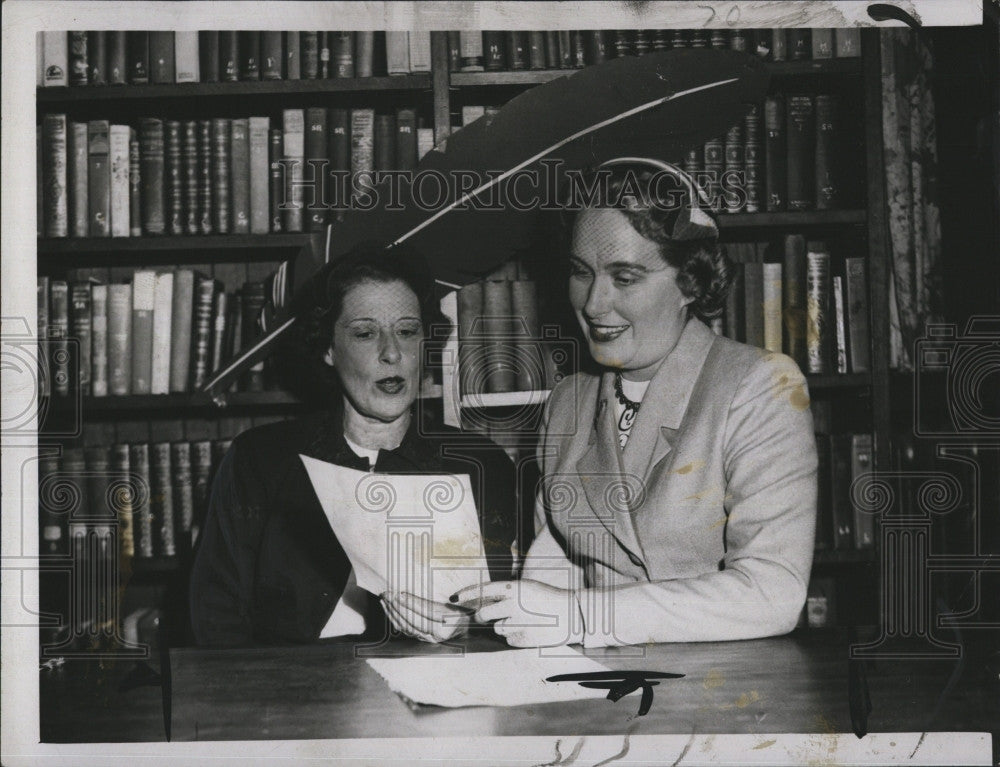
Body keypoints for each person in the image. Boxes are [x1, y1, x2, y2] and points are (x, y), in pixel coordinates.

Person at [453, 159, 818, 648]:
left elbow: (774, 594)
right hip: (601, 683)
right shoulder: (569, 400)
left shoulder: (760, 386)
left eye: (624, 278)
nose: (594, 304)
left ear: (691, 283)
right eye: (581, 273)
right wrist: (467, 609)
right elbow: (557, 567)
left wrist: (585, 617)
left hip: (723, 690)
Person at [189, 246, 519, 646]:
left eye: (407, 330)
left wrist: (465, 625)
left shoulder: (482, 464)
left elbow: (506, 618)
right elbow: (216, 622)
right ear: (328, 348)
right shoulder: (258, 461)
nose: (392, 353)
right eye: (365, 333)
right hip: (291, 695)